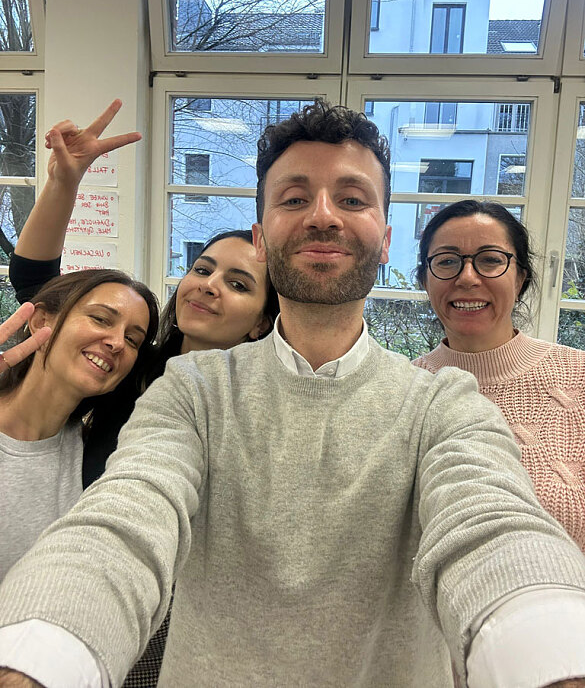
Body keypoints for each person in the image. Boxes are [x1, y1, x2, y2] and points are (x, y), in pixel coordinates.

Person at [1, 101, 585, 688]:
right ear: (261, 238)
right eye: (294, 198)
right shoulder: (191, 391)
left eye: (351, 199)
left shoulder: (443, 403)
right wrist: (39, 660)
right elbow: (124, 522)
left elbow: (490, 527)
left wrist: (549, 653)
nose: (323, 216)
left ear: (385, 240)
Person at [7, 100, 278, 687]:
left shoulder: (262, 409)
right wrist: (65, 182)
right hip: (93, 590)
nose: (208, 285)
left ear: (261, 322)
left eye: (237, 283)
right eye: (202, 269)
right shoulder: (130, 367)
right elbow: (37, 285)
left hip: (198, 621)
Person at [412, 199, 585, 552]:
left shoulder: (578, 376)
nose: (467, 278)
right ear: (424, 281)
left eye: (490, 260)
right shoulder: (402, 390)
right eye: (447, 261)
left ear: (520, 278)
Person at [0, 267, 159, 584]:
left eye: (132, 339)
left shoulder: (97, 459)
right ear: (41, 321)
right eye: (101, 319)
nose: (117, 343)